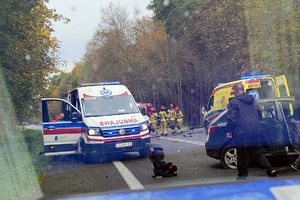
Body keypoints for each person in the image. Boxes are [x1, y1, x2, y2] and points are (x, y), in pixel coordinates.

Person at [226, 82, 276, 180]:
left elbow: (232, 118)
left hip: (241, 133)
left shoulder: (234, 102)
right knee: (257, 153)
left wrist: (229, 130)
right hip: (255, 131)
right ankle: (270, 169)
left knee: (242, 155)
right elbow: (259, 115)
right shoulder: (253, 101)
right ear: (243, 90)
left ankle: (242, 176)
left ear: (235, 91)